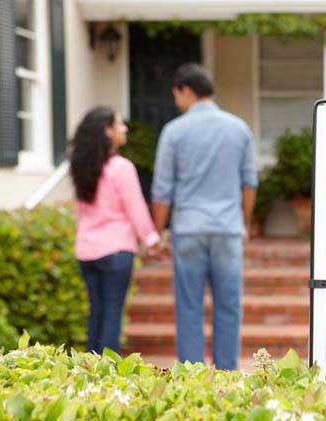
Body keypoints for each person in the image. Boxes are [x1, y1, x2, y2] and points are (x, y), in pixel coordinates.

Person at [151, 63, 258, 370]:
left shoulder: (174, 131)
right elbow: (249, 182)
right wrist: (245, 224)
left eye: (176, 96)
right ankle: (226, 375)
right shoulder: (239, 128)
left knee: (189, 307)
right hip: (227, 228)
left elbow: (162, 189)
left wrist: (158, 231)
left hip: (188, 228)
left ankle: (192, 378)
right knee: (228, 306)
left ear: (186, 90)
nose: (176, 103)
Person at [70, 106, 160, 355]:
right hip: (116, 251)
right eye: (120, 124)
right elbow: (136, 208)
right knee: (112, 313)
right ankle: (108, 375)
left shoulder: (79, 167)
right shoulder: (121, 167)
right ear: (108, 131)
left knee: (96, 311)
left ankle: (90, 374)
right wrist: (151, 239)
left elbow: (80, 212)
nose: (125, 128)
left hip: (86, 251)